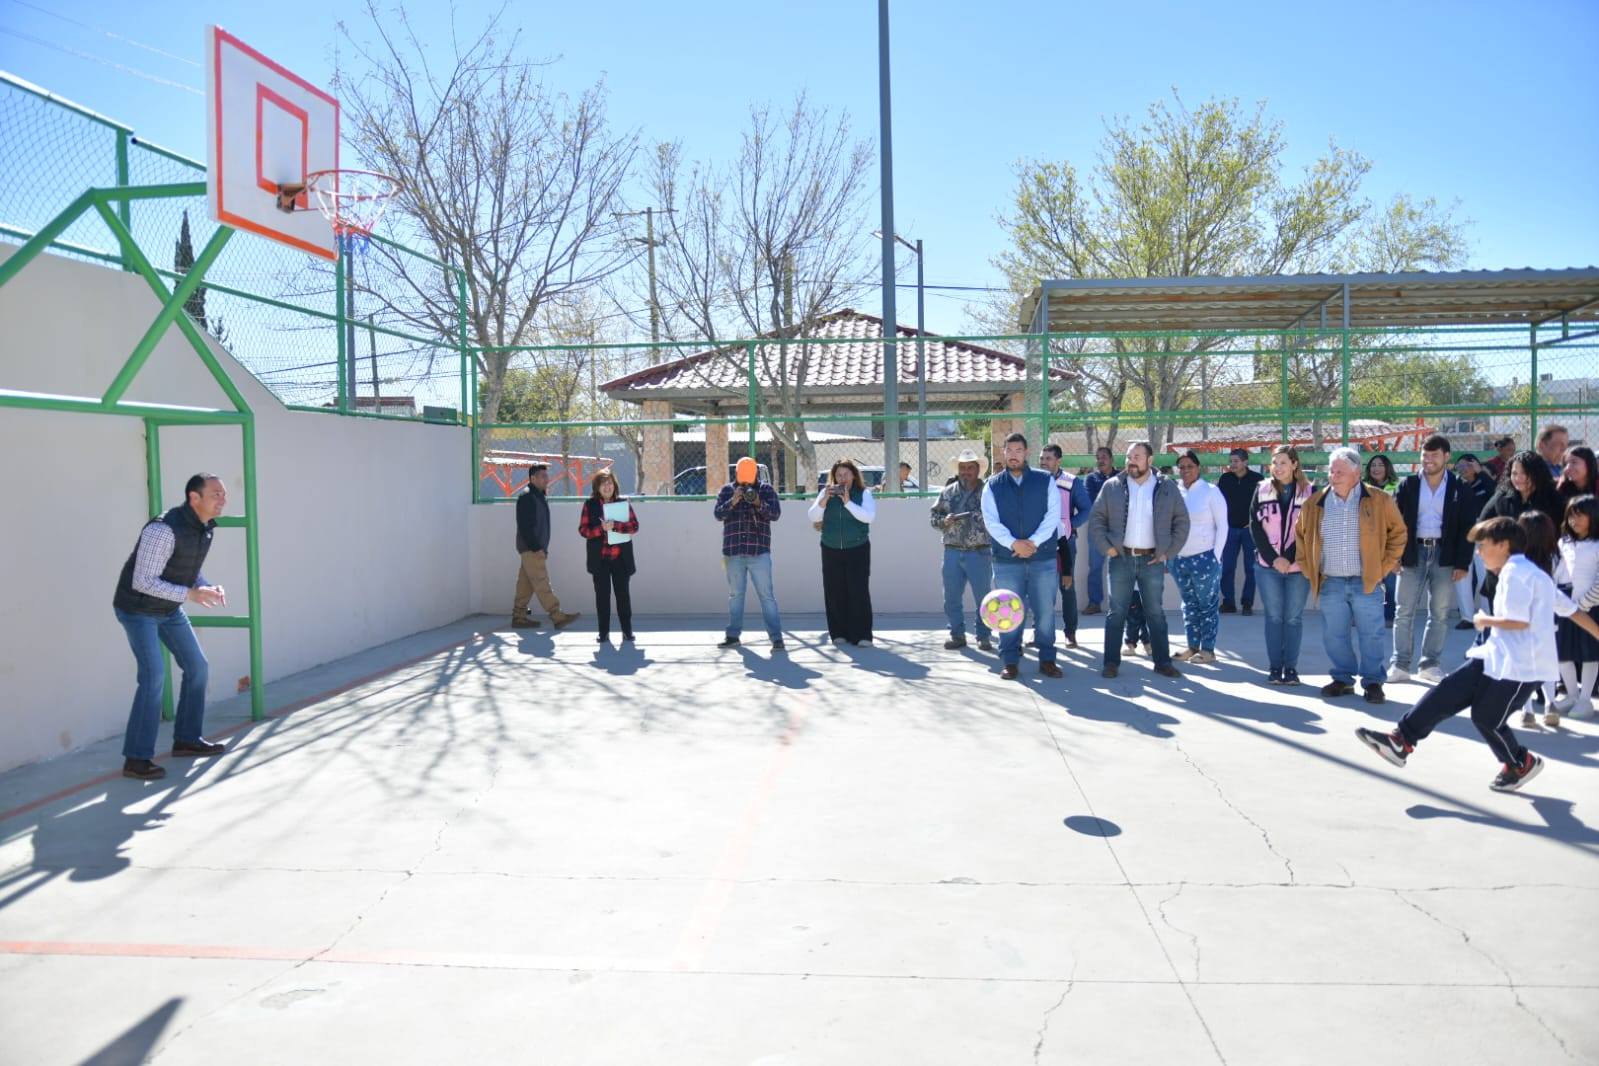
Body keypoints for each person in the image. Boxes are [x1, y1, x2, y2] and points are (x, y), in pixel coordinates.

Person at [1356, 516, 1599, 793]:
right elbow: (1572, 611)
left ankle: (1520, 763)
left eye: (1483, 546)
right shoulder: (1529, 573)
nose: (1479, 553)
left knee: (1486, 718)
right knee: (1449, 690)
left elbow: (1520, 622)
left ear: (1503, 545)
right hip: (1495, 656)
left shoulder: (1517, 575)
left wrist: (1485, 621)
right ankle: (1401, 740)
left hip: (1521, 667)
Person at [112, 473, 232, 780]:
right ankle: (136, 759)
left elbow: (187, 568)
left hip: (168, 608)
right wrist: (191, 595)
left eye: (223, 494)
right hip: (137, 609)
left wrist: (205, 586)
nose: (223, 499)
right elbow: (143, 582)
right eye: (216, 494)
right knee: (154, 676)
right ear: (194, 498)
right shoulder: (162, 530)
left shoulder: (204, 528)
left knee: (197, 667)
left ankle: (187, 740)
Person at [1297, 447, 1408, 705]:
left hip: (1366, 581)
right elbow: (1300, 536)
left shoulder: (1379, 499)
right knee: (1334, 635)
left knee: (1372, 634)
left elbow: (1398, 533)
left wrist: (1383, 567)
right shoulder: (1315, 503)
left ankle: (1373, 682)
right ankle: (1343, 678)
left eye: (1340, 472)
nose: (1333, 476)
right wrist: (1307, 567)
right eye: (1331, 471)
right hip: (1331, 581)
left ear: (1357, 474)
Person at [1085, 440, 1190, 679]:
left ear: (1150, 460)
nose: (1131, 461)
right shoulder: (1112, 486)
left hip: (1152, 560)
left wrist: (1167, 552)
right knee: (1116, 613)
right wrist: (1108, 549)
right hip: (1120, 558)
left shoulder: (1167, 487)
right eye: (1129, 457)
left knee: (1155, 613)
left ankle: (1162, 662)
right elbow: (1097, 519)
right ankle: (1111, 663)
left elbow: (1182, 521)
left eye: (1137, 457)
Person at [1389, 435, 1472, 684]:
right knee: (1403, 611)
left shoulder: (1459, 487)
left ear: (1447, 457)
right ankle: (1400, 664)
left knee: (1439, 612)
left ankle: (1430, 664)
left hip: (1444, 556)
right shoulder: (1409, 484)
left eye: (1434, 455)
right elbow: (1394, 523)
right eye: (1425, 455)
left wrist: (1462, 563)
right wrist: (1394, 556)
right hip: (1412, 554)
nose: (1428, 460)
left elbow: (1467, 527)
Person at [980, 432, 1063, 679]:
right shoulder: (992, 485)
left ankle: (1047, 659)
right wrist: (1014, 544)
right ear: (1003, 453)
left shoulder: (1045, 480)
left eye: (1018, 450)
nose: (1013, 455)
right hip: (1007, 560)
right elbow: (991, 522)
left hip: (1043, 558)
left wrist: (1033, 543)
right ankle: (1010, 660)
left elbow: (1053, 515)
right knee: (1007, 612)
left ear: (1026, 453)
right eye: (1009, 450)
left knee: (1045, 612)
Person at [1250, 445, 1315, 686]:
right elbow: (1255, 526)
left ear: (1295, 464)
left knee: (1293, 619)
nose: (1278, 467)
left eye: (1283, 463)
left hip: (1298, 567)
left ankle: (1291, 668)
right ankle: (1275, 668)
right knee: (1274, 618)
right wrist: (1273, 558)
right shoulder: (1261, 489)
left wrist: (1287, 557)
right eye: (1275, 463)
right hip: (1268, 567)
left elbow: (1309, 529)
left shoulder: (1310, 492)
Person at [713, 456, 785, 650]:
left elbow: (775, 514)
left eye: (749, 472)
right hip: (733, 552)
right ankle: (733, 636)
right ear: (736, 472)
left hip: (758, 551)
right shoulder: (727, 490)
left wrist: (758, 502)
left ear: (756, 473)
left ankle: (776, 638)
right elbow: (718, 514)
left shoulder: (766, 490)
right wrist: (733, 501)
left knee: (766, 595)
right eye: (742, 472)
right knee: (735, 595)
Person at [930, 449, 993, 651]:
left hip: (979, 551)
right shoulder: (948, 492)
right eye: (962, 468)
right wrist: (944, 521)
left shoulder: (988, 492)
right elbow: (934, 518)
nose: (966, 471)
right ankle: (957, 635)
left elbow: (997, 519)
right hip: (953, 551)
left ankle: (984, 636)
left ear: (978, 469)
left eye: (970, 468)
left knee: (984, 598)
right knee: (951, 598)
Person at [809, 459, 876, 646]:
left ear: (854, 475)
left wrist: (847, 502)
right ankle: (838, 633)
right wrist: (824, 500)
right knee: (834, 591)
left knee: (858, 591)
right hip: (830, 548)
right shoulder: (825, 492)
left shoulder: (863, 493)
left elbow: (869, 517)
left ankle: (862, 635)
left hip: (857, 548)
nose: (842, 478)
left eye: (846, 474)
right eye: (838, 475)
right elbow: (812, 516)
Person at [1172, 450, 1228, 664]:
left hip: (1204, 558)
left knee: (1207, 605)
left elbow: (1223, 526)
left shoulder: (1211, 491)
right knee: (1189, 604)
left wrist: (1216, 556)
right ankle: (1192, 646)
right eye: (1182, 467)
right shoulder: (1175, 492)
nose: (1185, 470)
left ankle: (1208, 649)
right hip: (1180, 558)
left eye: (1190, 466)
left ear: (1198, 468)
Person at [513, 463, 580, 631]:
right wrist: (537, 548)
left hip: (533, 549)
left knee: (525, 585)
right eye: (543, 476)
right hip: (532, 549)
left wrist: (542, 548)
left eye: (546, 476)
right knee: (542, 583)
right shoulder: (527, 497)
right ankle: (557, 615)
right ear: (532, 478)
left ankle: (519, 616)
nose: (547, 479)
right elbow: (525, 527)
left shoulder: (537, 496)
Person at [1550, 495, 1599, 724]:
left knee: (1590, 653)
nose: (1574, 520)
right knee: (1562, 652)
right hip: (1564, 605)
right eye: (1571, 515)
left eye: (1580, 515)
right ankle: (1571, 694)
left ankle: (1585, 699)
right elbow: (1557, 571)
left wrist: (1584, 604)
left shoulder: (1597, 545)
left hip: (1590, 606)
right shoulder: (1563, 542)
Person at [578, 470, 640, 644]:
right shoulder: (589, 505)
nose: (607, 486)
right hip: (600, 560)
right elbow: (583, 530)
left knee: (623, 596)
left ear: (615, 485)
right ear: (597, 487)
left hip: (621, 559)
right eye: (603, 484)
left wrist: (616, 526)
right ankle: (603, 632)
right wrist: (600, 529)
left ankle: (627, 631)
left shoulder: (623, 503)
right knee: (602, 597)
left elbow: (634, 526)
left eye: (610, 483)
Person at [1040, 443, 1092, 648]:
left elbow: (1086, 509)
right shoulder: (1035, 480)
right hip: (1040, 545)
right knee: (1041, 590)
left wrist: (1070, 525)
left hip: (1066, 545)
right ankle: (1041, 632)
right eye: (1041, 458)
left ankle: (1070, 632)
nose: (1043, 462)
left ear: (1058, 461)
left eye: (1048, 458)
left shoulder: (1071, 482)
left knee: (1067, 587)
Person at [1216, 448, 1264, 615]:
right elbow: (1218, 503)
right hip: (1229, 530)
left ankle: (1247, 603)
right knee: (1227, 567)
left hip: (1250, 531)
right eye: (1231, 461)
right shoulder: (1225, 479)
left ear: (1245, 462)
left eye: (1236, 461)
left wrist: (1255, 523)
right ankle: (1228, 602)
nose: (1232, 464)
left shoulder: (1257, 480)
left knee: (1251, 568)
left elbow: (1263, 504)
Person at [1451, 454, 1493, 629]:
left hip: (1484, 533)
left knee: (1485, 575)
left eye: (1468, 465)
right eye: (1460, 466)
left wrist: (1481, 473)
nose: (1464, 469)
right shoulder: (1456, 485)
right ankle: (1467, 617)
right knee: (1462, 576)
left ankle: (1487, 615)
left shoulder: (1485, 482)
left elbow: (1495, 495)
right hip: (1463, 534)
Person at [1364, 454, 1400, 628]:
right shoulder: (1362, 488)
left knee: (1391, 584)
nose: (1376, 468)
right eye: (1373, 465)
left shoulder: (1398, 487)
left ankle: (1389, 617)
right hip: (1368, 542)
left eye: (1380, 465)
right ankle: (1365, 616)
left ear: (1387, 468)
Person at [1082, 447, 1118, 615]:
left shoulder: (1121, 476)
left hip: (1117, 528)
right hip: (1098, 528)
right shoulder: (1091, 479)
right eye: (1098, 457)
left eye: (1104, 457)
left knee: (1119, 567)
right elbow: (1091, 502)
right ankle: (1094, 602)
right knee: (1095, 566)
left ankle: (1119, 604)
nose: (1100, 460)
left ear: (1111, 459)